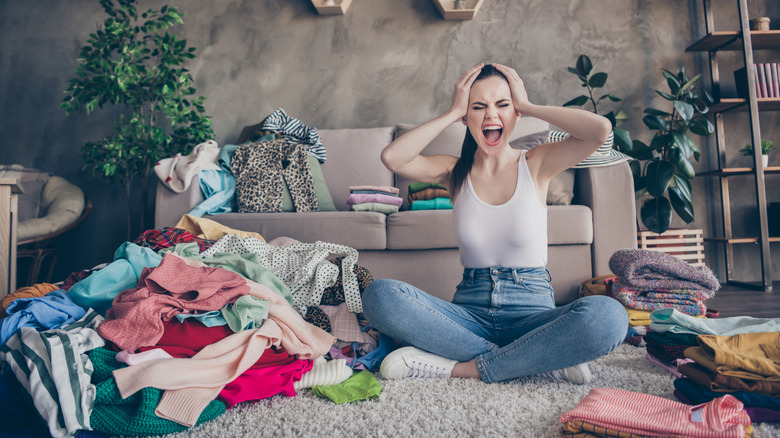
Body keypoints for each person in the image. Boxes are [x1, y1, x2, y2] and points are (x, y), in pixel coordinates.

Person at [360, 63, 629, 384]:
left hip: (533, 315)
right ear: (466, 117)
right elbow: (393, 158)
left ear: (515, 114)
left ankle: (466, 367)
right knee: (380, 295)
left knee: (609, 317)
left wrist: (527, 106)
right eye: (478, 106)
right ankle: (536, 359)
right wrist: (451, 111)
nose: (491, 115)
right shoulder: (453, 169)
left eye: (502, 105)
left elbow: (600, 131)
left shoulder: (537, 162)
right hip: (468, 316)